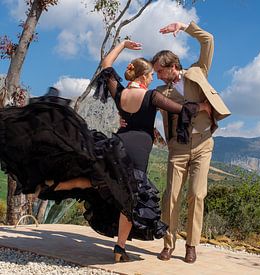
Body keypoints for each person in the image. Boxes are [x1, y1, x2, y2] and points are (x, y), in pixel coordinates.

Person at [0, 40, 208, 263]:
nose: (152, 79)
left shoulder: (120, 93)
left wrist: (122, 45)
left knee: (101, 181)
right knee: (129, 198)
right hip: (138, 150)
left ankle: (56, 184)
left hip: (118, 143)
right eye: (150, 76)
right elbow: (184, 110)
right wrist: (204, 107)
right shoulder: (151, 96)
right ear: (143, 76)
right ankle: (120, 248)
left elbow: (106, 64)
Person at [151, 21, 231, 263]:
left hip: (203, 144)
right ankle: (168, 244)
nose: (157, 75)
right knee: (171, 196)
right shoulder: (161, 92)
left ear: (173, 67)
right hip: (178, 148)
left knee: (197, 194)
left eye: (160, 71)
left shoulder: (198, 72)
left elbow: (208, 40)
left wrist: (185, 26)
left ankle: (192, 245)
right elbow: (146, 109)